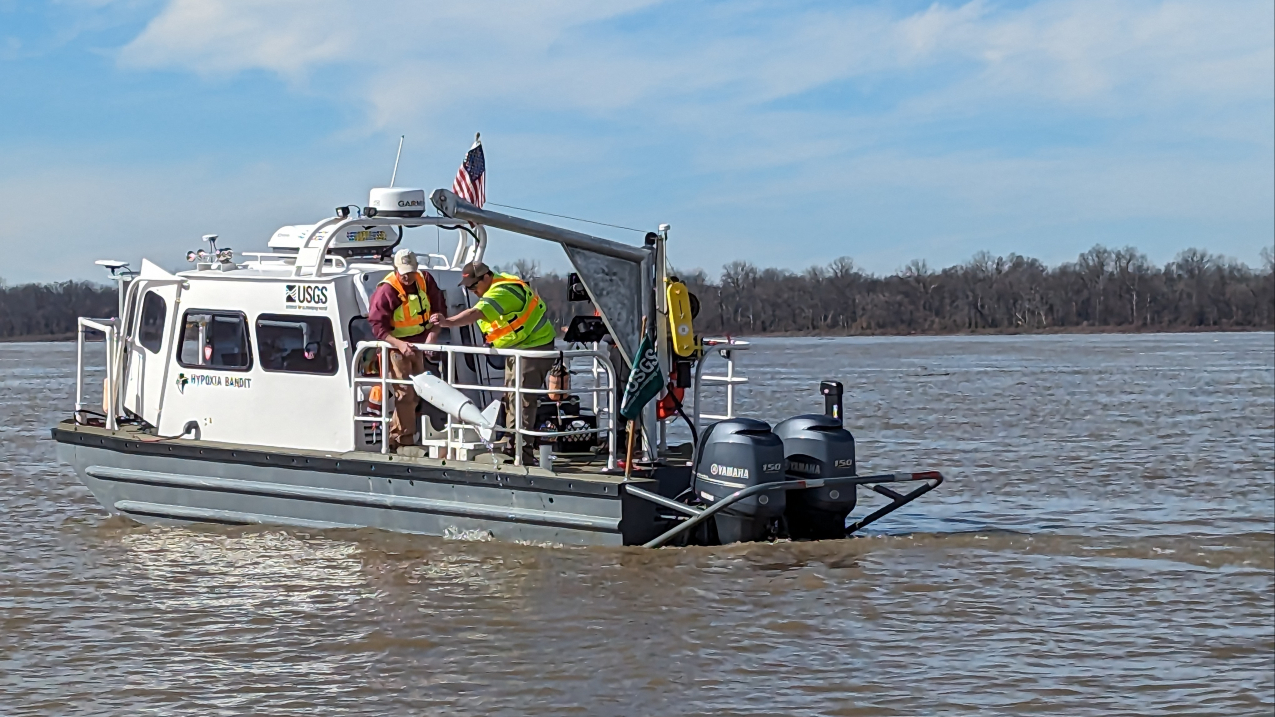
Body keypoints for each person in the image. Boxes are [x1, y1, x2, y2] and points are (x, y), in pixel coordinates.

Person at [431, 261, 557, 465]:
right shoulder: (496, 287)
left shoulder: (502, 291)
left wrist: (448, 323)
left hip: (534, 348)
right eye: (468, 288)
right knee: (510, 397)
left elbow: (476, 314)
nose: (472, 291)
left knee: (522, 400)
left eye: (474, 286)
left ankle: (522, 454)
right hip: (518, 349)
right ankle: (510, 442)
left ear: (487, 277)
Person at [368, 248, 447, 452]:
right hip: (397, 347)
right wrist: (400, 345)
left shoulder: (425, 280)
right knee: (404, 394)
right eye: (403, 271)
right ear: (395, 269)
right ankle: (404, 440)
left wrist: (433, 335)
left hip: (420, 346)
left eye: (411, 271)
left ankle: (400, 434)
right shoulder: (387, 290)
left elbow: (439, 309)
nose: (407, 276)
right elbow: (378, 326)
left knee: (419, 392)